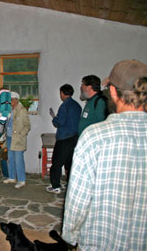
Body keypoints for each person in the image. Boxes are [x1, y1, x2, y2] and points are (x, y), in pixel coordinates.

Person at [62, 60, 147, 250]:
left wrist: (70, 234)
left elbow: (78, 199)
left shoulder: (95, 137)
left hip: (100, 241)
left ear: (114, 92)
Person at [46, 84, 81, 194]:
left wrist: (54, 119)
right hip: (75, 138)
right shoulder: (77, 105)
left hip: (64, 138)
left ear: (62, 93)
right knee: (70, 163)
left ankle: (56, 186)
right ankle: (71, 184)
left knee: (56, 163)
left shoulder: (64, 106)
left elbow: (59, 122)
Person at [2, 91, 31, 189]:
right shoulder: (10, 110)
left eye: (11, 100)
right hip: (10, 137)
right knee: (10, 158)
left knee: (19, 160)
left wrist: (20, 135)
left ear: (16, 100)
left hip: (18, 139)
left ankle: (21, 180)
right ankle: (12, 177)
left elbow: (27, 126)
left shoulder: (22, 110)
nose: (9, 102)